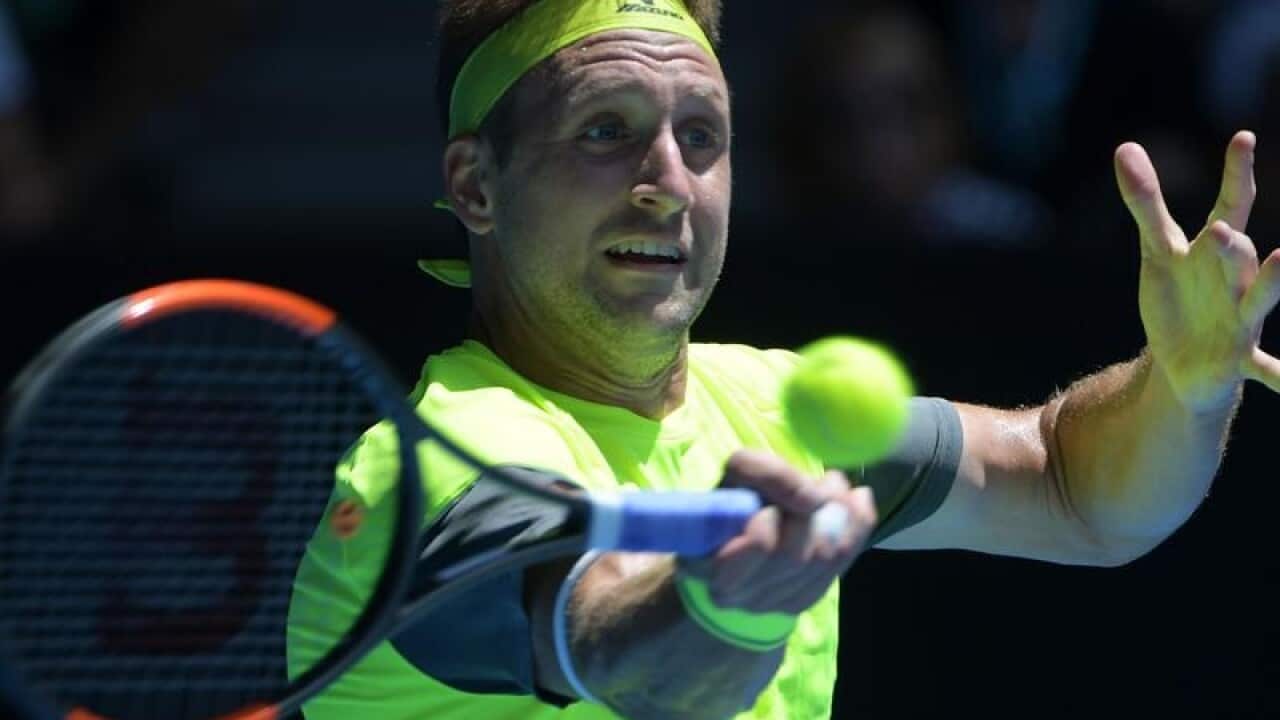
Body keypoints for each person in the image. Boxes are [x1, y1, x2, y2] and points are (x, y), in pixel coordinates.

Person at [285, 1, 1280, 718]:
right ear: (475, 184)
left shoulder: (772, 405)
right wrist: (729, 607)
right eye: (605, 130)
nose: (669, 182)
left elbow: (1074, 487)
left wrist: (1180, 387)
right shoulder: (433, 464)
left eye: (700, 135)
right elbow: (616, 650)